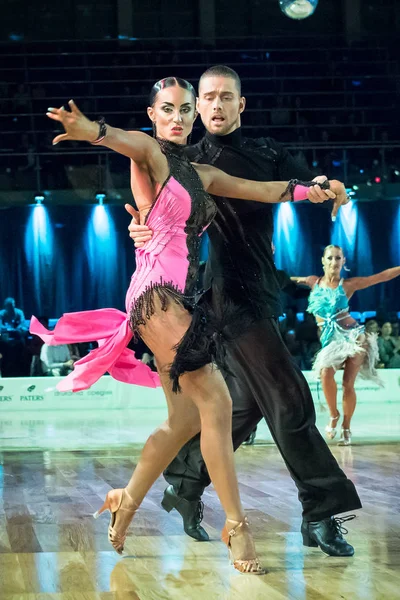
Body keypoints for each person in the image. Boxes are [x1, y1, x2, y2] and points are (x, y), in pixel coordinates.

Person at [31, 77, 345, 573]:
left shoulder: (200, 172)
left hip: (180, 297)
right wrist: (89, 128)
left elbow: (262, 189)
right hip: (155, 296)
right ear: (152, 115)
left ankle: (125, 501)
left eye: (183, 111)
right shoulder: (150, 156)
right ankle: (237, 530)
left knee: (183, 421)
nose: (177, 119)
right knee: (217, 401)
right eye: (167, 110)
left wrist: (312, 191)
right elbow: (121, 139)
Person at [128, 65, 361, 558]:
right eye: (205, 98)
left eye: (223, 97)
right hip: (223, 295)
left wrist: (329, 185)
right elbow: (149, 205)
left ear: (240, 105)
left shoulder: (266, 152)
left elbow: (304, 180)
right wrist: (140, 230)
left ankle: (185, 483)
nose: (212, 106)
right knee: (289, 395)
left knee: (245, 405)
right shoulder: (188, 161)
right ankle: (322, 511)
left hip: (261, 288)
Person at [293, 244, 400, 445]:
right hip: (329, 340)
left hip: (352, 338)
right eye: (330, 258)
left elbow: (381, 277)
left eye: (338, 258)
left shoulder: (348, 285)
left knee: (347, 384)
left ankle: (346, 426)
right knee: (326, 374)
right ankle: (334, 415)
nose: (334, 262)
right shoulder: (313, 282)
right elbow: (284, 280)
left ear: (344, 262)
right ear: (323, 261)